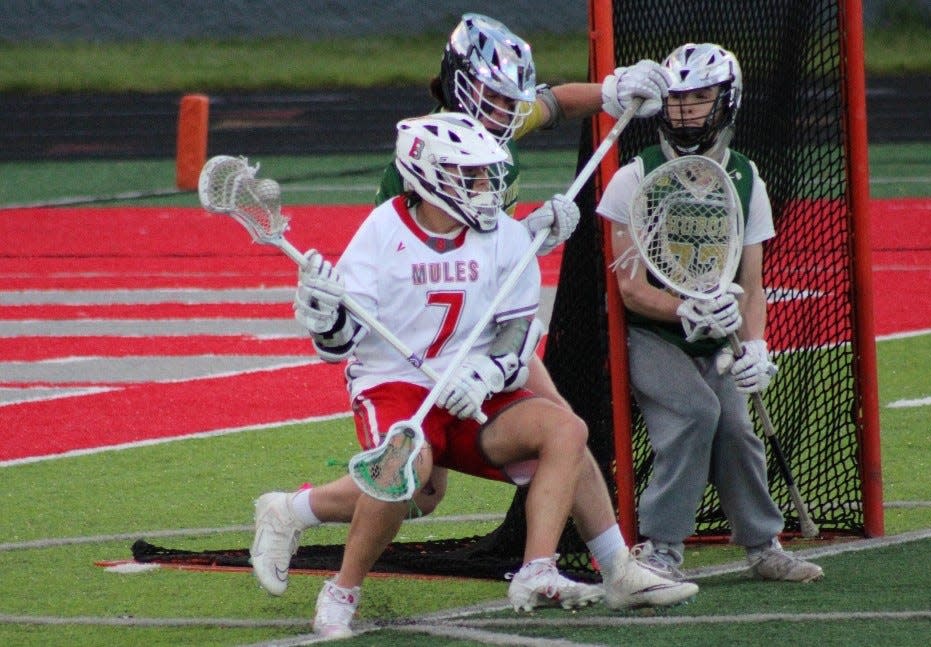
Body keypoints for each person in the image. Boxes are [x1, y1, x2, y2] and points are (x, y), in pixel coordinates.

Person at [251, 12, 671, 596]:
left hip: (480, 329)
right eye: (495, 99)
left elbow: (549, 104)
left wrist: (611, 90)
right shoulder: (422, 162)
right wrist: (527, 234)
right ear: (464, 87)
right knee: (419, 489)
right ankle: (293, 513)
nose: (508, 113)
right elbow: (434, 261)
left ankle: (611, 564)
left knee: (563, 430)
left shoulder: (491, 127)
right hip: (420, 345)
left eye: (508, 101)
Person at [287, 113, 697, 637]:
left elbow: (517, 330)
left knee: (565, 429)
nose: (486, 188)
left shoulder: (504, 234)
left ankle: (540, 570)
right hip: (395, 386)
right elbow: (341, 344)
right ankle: (341, 590)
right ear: (427, 176)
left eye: (486, 175)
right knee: (404, 473)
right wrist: (326, 319)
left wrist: (483, 373)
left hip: (469, 388)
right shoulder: (383, 230)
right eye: (471, 176)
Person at [595, 43, 824, 584]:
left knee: (738, 428)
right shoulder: (635, 179)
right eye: (677, 99)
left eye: (699, 98)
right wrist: (685, 310)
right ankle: (661, 550)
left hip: (718, 336)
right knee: (696, 413)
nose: (685, 110)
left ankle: (763, 544)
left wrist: (757, 346)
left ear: (726, 100)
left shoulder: (746, 180)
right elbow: (629, 290)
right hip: (651, 338)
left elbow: (751, 281)